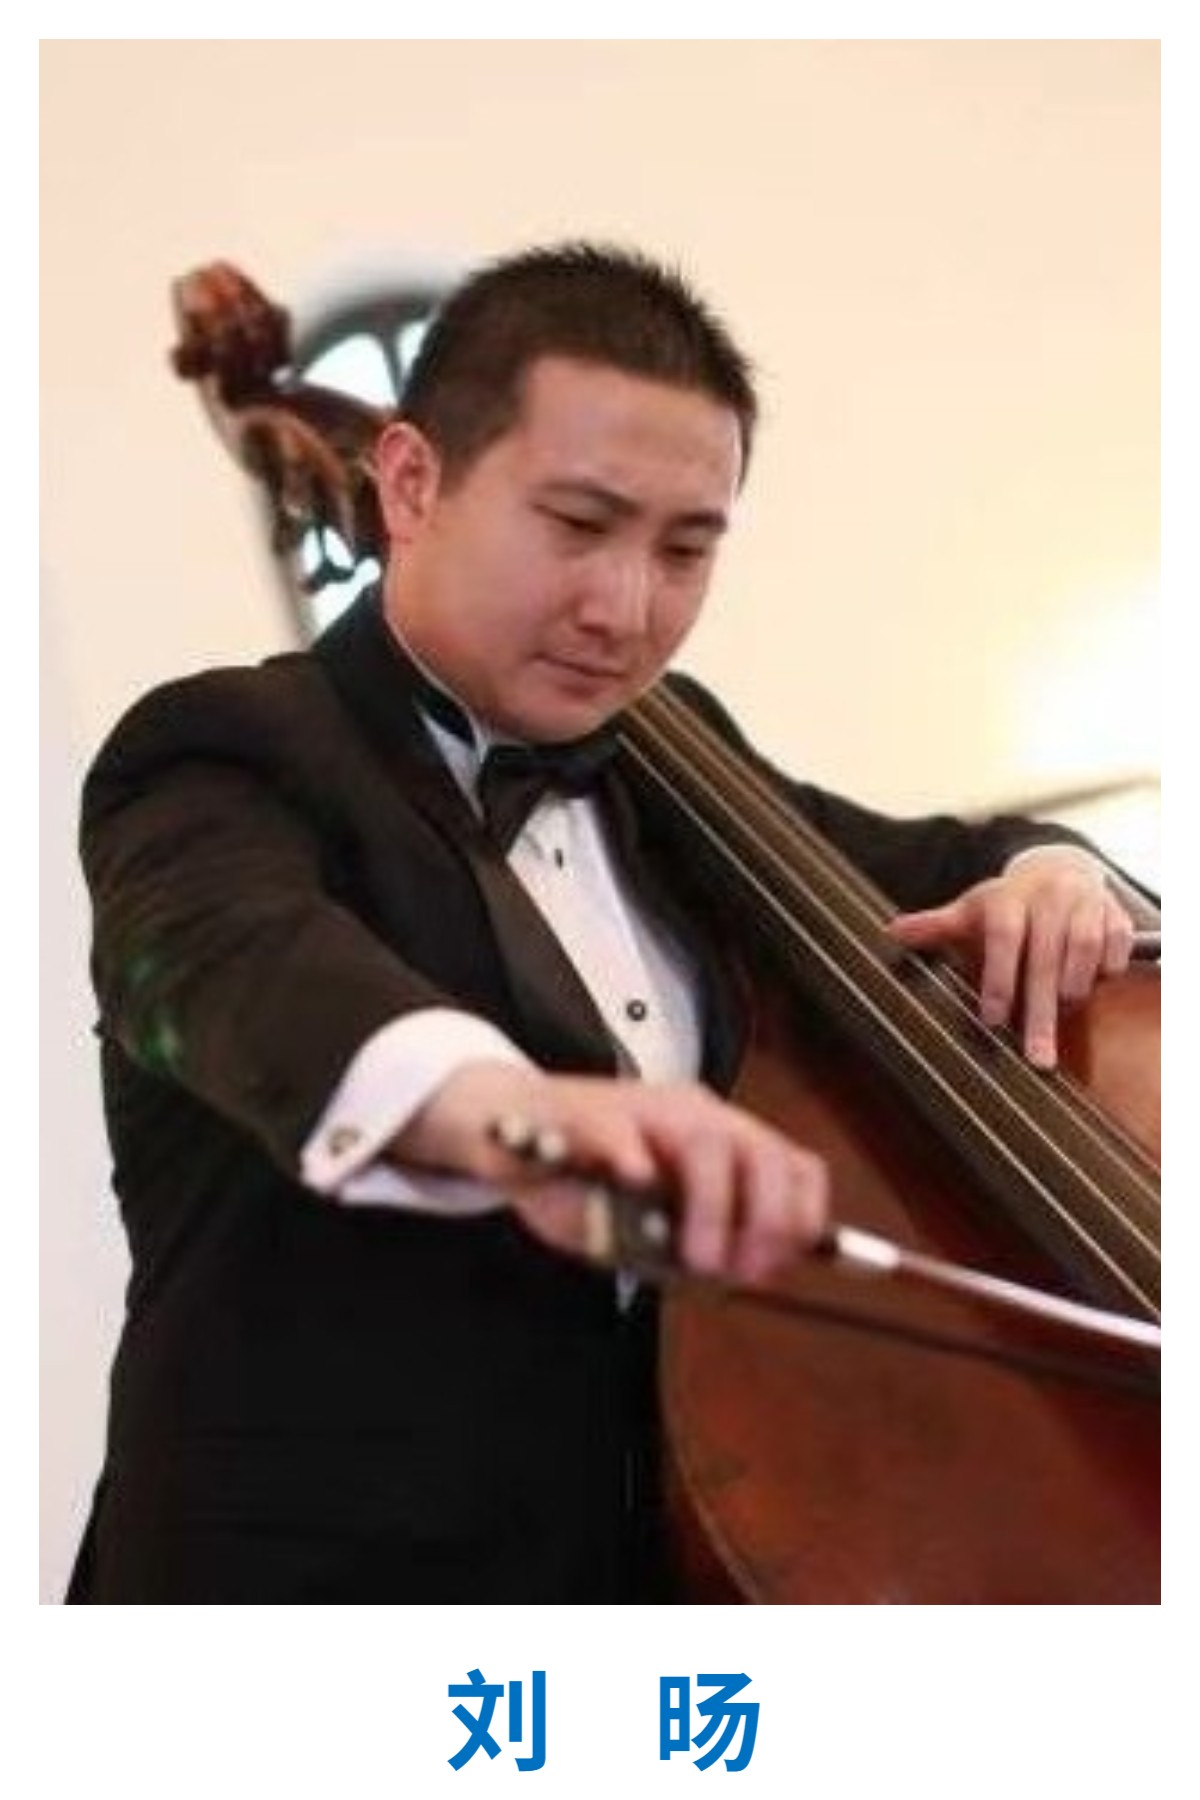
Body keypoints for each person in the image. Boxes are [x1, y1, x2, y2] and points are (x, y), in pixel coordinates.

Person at [67, 242, 1146, 1604]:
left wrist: (1056, 874)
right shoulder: (223, 747)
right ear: (410, 481)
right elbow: (230, 967)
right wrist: (514, 1115)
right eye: (578, 526)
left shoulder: (677, 754)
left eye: (686, 550)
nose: (626, 612)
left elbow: (947, 854)